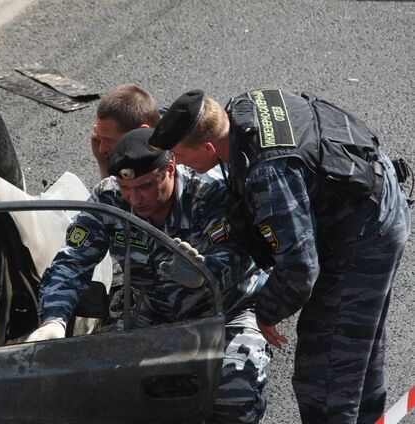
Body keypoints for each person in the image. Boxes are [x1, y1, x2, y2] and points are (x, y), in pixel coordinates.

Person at [149, 88, 411, 423]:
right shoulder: (242, 109)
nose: (180, 165)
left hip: (363, 239)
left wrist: (266, 313)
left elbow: (300, 268)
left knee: (326, 372)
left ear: (208, 148)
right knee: (357, 350)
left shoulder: (266, 174)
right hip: (376, 206)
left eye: (181, 157)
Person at [28, 127, 271, 423]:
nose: (134, 199)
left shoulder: (209, 196)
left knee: (232, 399)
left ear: (169, 168)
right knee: (111, 393)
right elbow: (72, 261)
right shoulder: (110, 197)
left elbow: (236, 256)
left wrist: (204, 273)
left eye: (144, 187)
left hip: (226, 313)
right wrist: (54, 318)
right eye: (126, 188)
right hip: (155, 313)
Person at [91, 84, 161, 178]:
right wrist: (103, 161)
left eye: (109, 139)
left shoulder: (172, 167)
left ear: (142, 131)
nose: (101, 148)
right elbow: (112, 191)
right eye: (100, 137)